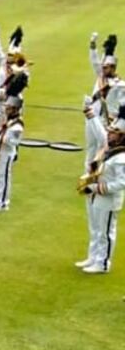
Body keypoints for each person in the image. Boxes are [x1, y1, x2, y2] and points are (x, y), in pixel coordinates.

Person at [77, 106, 125, 274]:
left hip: (109, 199)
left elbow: (121, 183)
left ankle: (103, 263)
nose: (109, 135)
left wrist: (97, 188)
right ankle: (93, 257)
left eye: (113, 133)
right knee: (96, 229)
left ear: (121, 137)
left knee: (105, 231)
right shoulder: (111, 151)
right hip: (98, 197)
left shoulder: (121, 158)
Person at [0, 73, 27, 213]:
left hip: (7, 153)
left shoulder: (17, 125)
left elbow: (10, 141)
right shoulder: (9, 121)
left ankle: (3, 202)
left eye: (9, 108)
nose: (6, 109)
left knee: (4, 176)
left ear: (15, 109)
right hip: (1, 150)